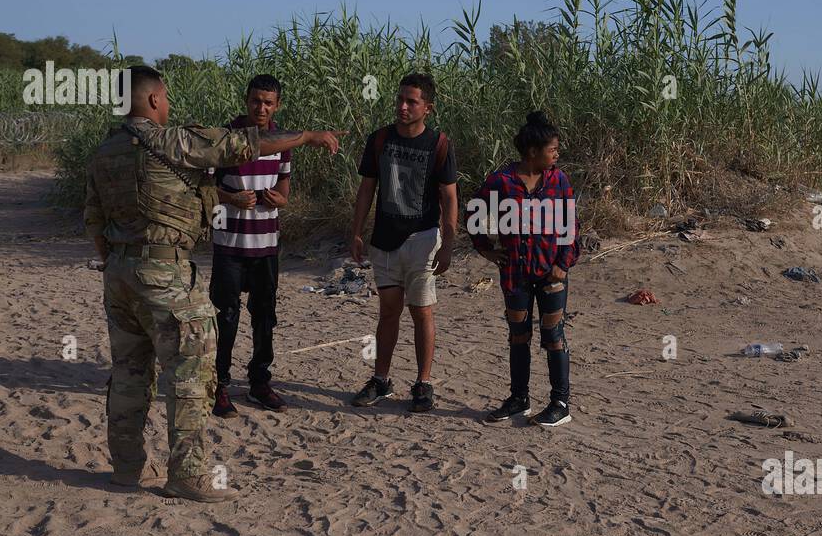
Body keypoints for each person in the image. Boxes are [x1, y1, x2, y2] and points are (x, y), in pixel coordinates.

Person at [84, 65, 317, 502]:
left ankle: (127, 469)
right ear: (153, 99)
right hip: (166, 273)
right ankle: (187, 475)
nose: (168, 104)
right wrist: (306, 136)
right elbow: (240, 143)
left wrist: (118, 263)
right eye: (166, 97)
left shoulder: (104, 151)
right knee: (190, 373)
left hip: (118, 274)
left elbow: (93, 220)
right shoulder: (169, 140)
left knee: (129, 373)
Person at [209, 74, 341, 417]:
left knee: (264, 316)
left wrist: (278, 200)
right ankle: (218, 384)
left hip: (267, 245)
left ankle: (259, 381)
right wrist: (231, 198)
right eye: (256, 101)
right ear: (245, 101)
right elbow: (204, 189)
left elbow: (284, 190)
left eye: (268, 102)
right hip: (229, 245)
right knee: (225, 316)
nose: (261, 108)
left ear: (277, 105)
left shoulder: (283, 142)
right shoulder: (225, 138)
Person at [348, 72, 458, 412]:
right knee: (388, 312)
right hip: (384, 240)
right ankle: (381, 380)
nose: (403, 106)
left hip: (423, 239)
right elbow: (367, 188)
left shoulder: (439, 144)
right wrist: (355, 231)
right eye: (400, 99)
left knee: (422, 312)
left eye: (412, 101)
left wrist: (449, 241)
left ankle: (423, 384)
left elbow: (450, 195)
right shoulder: (379, 139)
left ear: (428, 108)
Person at [469, 111, 579, 427]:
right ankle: (519, 400)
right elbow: (474, 214)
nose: (556, 154)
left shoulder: (558, 181)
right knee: (518, 336)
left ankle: (560, 402)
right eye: (552, 149)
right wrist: (486, 250)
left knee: (553, 335)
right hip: (515, 274)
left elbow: (571, 226)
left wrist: (563, 264)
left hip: (551, 274)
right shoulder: (501, 182)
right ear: (532, 151)